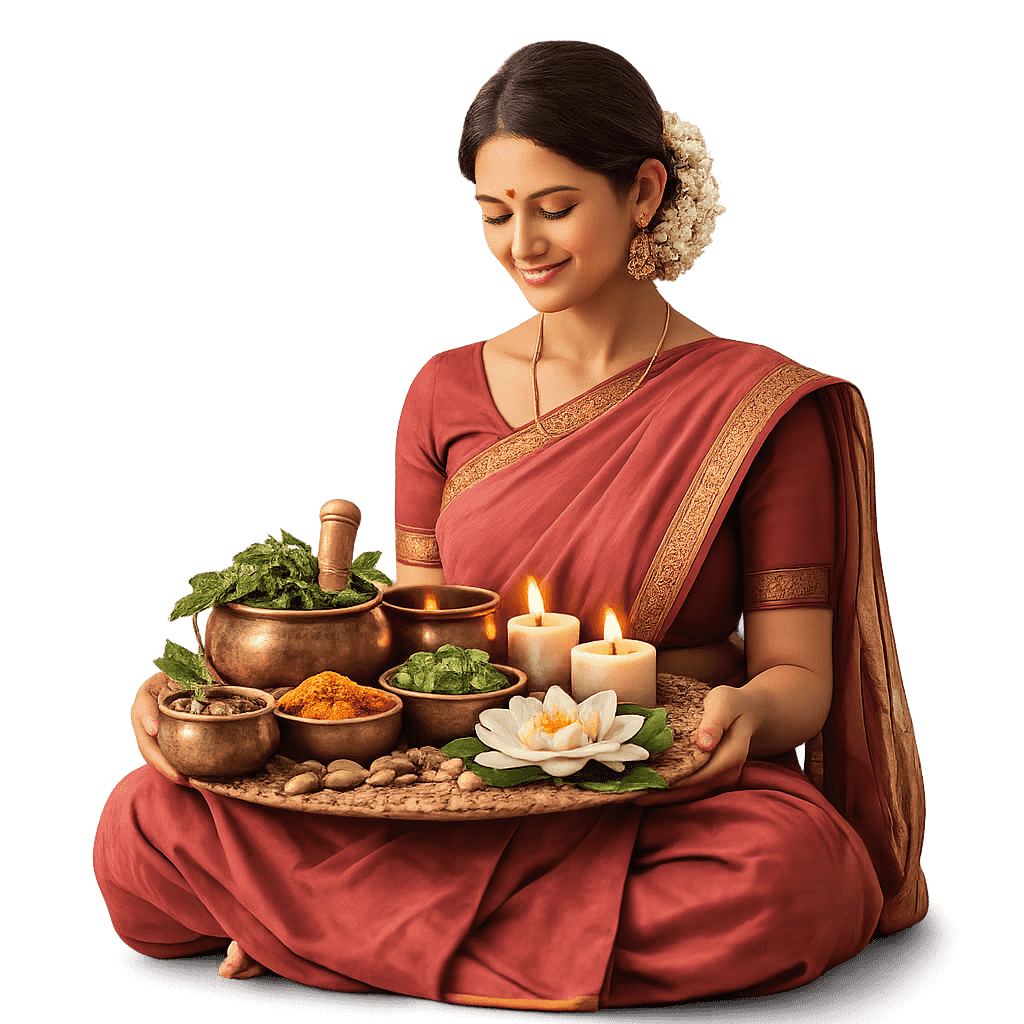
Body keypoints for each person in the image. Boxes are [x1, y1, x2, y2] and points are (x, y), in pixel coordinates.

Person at [96, 40, 926, 1011]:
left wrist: (748, 714)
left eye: (555, 207)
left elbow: (799, 678)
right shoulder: (443, 388)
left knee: (790, 883)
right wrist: (208, 704)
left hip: (655, 779)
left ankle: (309, 933)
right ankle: (394, 937)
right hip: (455, 778)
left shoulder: (760, 405)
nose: (521, 244)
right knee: (138, 821)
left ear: (644, 192)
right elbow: (402, 647)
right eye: (495, 213)